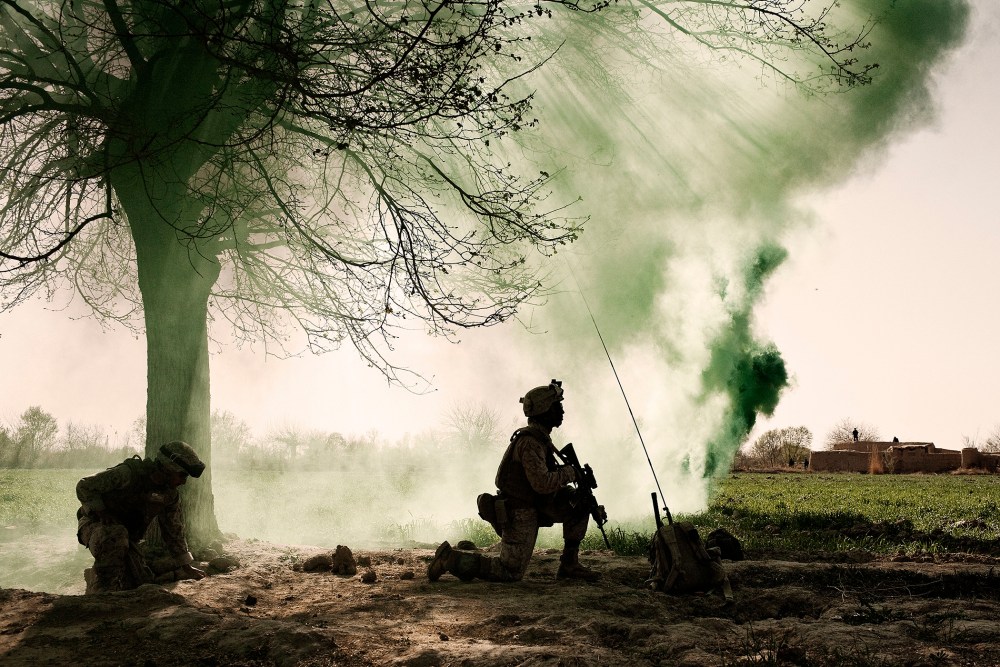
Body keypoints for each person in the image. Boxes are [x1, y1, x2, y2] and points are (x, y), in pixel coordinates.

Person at [428, 379, 603, 583]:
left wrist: (578, 491)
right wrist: (570, 473)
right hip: (519, 511)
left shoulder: (540, 440)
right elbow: (542, 483)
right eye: (557, 406)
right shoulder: (530, 443)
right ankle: (449, 559)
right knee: (509, 571)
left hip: (534, 505)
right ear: (544, 411)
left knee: (581, 502)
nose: (562, 411)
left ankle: (569, 564)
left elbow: (546, 486)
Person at [76, 440, 207, 593]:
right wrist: (101, 511)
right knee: (114, 538)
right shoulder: (128, 474)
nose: (184, 482)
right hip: (95, 527)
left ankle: (94, 577)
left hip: (127, 539)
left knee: (140, 582)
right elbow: (84, 486)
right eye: (182, 475)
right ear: (167, 469)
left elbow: (174, 530)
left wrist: (186, 565)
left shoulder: (169, 495)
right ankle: (102, 595)